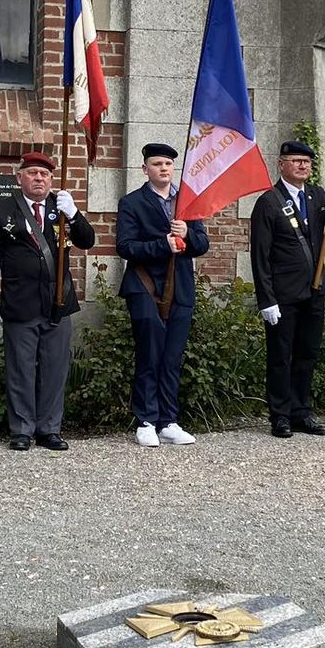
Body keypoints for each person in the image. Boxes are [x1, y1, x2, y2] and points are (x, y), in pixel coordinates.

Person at [0, 151, 95, 451]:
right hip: (20, 302)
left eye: (44, 174)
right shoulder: (4, 210)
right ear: (20, 178)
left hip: (58, 303)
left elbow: (87, 240)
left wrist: (75, 214)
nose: (39, 178)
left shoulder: (61, 207)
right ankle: (21, 430)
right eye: (32, 173)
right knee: (20, 369)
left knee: (55, 369)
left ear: (51, 179)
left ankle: (49, 429)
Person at [116, 143, 209, 447]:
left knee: (171, 358)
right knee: (149, 354)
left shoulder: (187, 202)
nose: (164, 169)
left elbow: (202, 244)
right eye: (157, 164)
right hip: (144, 287)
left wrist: (187, 234)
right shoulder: (132, 202)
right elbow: (125, 246)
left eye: (168, 164)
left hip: (180, 288)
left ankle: (168, 421)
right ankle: (145, 420)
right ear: (145, 169)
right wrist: (162, 245)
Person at [249, 140, 325, 438]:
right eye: (296, 161)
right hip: (283, 295)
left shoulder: (317, 195)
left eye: (306, 162)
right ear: (281, 164)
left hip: (314, 290)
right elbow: (260, 255)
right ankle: (280, 415)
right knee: (281, 356)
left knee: (307, 354)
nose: (302, 166)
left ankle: (301, 412)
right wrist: (266, 299)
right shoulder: (269, 201)